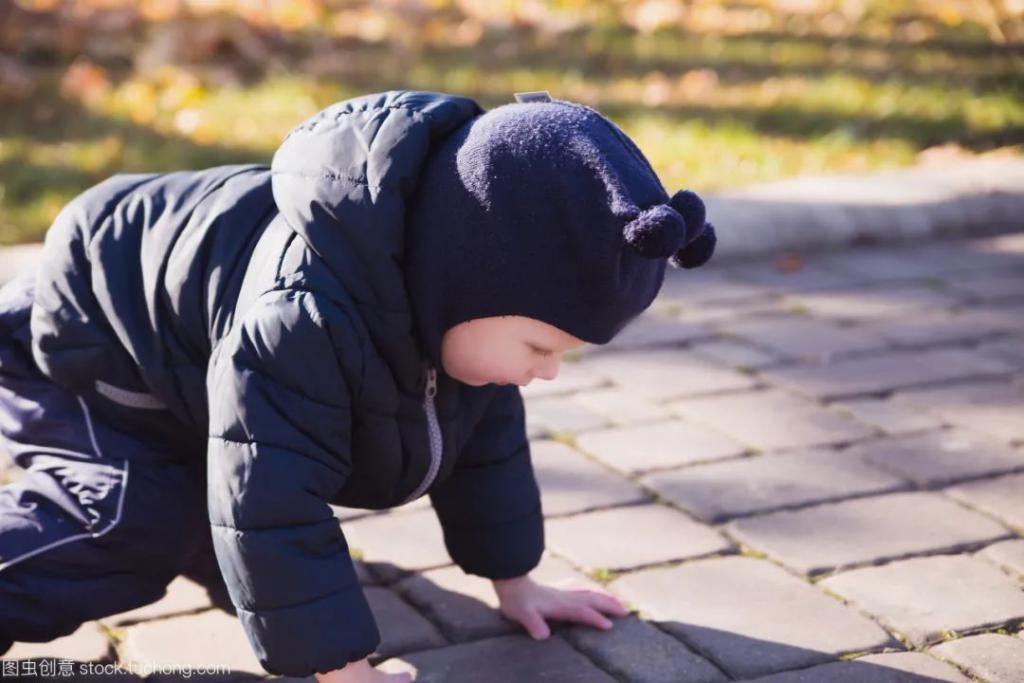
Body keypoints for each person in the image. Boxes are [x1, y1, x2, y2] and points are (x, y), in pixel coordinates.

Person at [0, 89, 716, 682]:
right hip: (88, 351)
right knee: (138, 521)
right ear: (469, 283)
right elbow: (269, 491)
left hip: (195, 364)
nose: (548, 368)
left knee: (233, 526)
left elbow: (486, 454)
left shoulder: (454, 316)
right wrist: (340, 666)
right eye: (540, 344)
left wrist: (516, 580)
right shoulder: (300, 317)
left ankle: (207, 538)